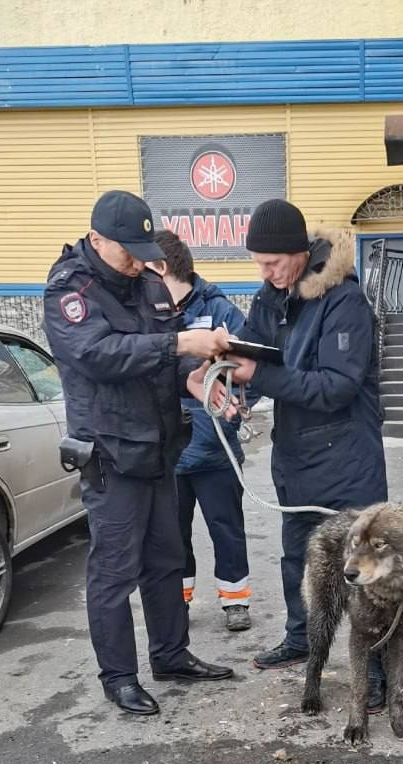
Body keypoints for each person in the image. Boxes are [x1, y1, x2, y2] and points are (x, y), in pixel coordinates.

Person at [189, 198, 390, 710]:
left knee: (361, 571)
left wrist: (261, 377)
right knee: (298, 559)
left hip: (348, 458)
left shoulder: (344, 301)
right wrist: (228, 383)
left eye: (273, 263)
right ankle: (303, 638)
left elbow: (337, 386)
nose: (266, 272)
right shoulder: (269, 299)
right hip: (297, 457)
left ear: (300, 252)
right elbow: (253, 354)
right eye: (259, 263)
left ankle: (378, 675)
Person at [43, 190, 237, 717]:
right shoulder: (70, 291)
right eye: (126, 248)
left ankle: (171, 655)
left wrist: (195, 380)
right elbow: (97, 355)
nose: (137, 259)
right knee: (114, 570)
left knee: (166, 560)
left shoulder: (150, 285)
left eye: (141, 248)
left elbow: (163, 361)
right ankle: (120, 677)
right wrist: (180, 347)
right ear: (96, 238)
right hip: (109, 453)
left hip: (157, 447)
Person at [150, 229, 254, 633]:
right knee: (172, 535)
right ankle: (179, 599)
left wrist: (235, 407)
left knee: (226, 528)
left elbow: (248, 371)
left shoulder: (221, 311)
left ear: (162, 268)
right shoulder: (149, 312)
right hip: (168, 452)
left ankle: (235, 599)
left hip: (214, 450)